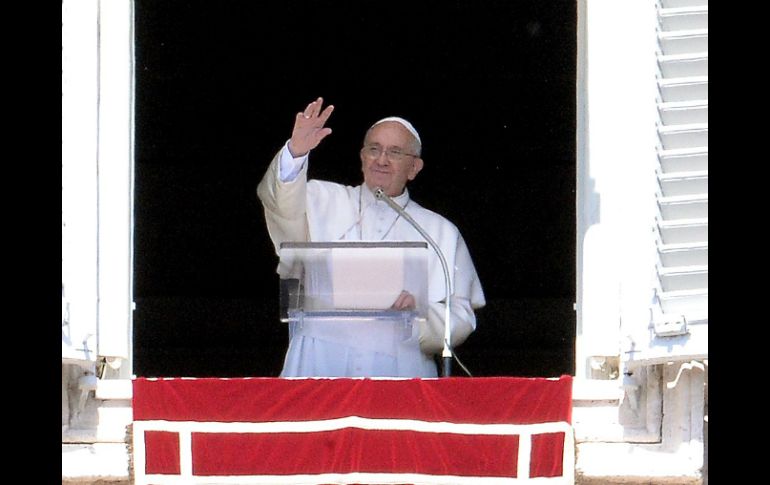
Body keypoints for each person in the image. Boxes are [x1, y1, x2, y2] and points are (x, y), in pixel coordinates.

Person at [257, 97, 485, 378]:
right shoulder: (322, 199)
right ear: (362, 157)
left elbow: (461, 314)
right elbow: (280, 205)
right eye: (374, 149)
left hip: (399, 366)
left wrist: (419, 315)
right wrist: (296, 153)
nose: (381, 160)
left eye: (395, 152)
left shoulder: (439, 231)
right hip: (319, 359)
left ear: (414, 168)